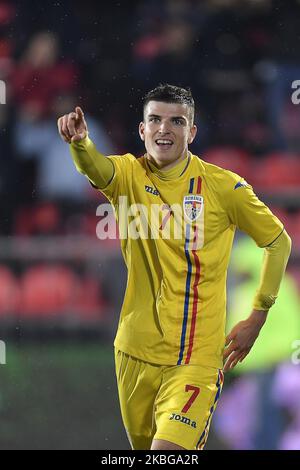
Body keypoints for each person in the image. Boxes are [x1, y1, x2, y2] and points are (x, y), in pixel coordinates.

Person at [57, 84, 291, 451]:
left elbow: (279, 242)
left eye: (176, 121)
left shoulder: (223, 187)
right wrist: (80, 143)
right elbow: (95, 166)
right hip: (134, 352)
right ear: (142, 129)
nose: (164, 129)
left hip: (195, 358)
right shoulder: (128, 175)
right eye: (155, 120)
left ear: (191, 131)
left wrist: (258, 314)